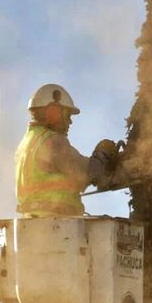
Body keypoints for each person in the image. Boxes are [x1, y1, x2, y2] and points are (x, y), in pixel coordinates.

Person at [15, 84, 118, 217]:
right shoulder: (51, 141)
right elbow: (84, 174)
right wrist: (102, 155)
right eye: (67, 114)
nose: (70, 122)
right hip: (55, 224)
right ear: (53, 110)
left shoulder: (27, 142)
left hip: (33, 220)